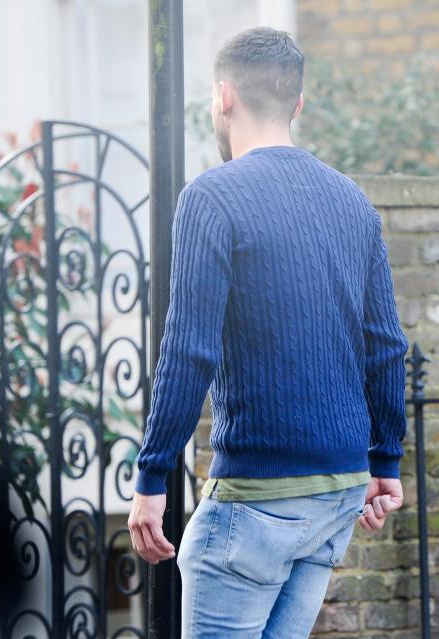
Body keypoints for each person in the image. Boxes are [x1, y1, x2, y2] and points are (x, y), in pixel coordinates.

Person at [128, 28, 409, 638]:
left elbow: (189, 351)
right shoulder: (352, 201)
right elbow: (385, 345)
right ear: (298, 104)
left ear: (223, 97)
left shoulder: (212, 197)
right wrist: (386, 459)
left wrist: (153, 477)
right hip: (337, 491)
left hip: (256, 497)